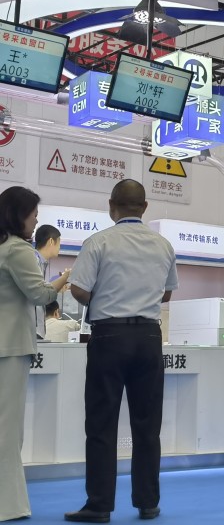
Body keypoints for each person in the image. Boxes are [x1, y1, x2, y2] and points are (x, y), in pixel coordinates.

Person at [65, 179, 178, 523]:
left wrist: (105, 294)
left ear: (111, 206)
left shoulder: (98, 242)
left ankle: (99, 505)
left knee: (102, 423)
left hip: (109, 337)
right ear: (144, 208)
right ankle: (148, 502)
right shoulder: (163, 245)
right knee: (147, 425)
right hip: (149, 337)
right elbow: (167, 293)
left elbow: (79, 290)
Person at [0, 186, 69, 521]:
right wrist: (63, 280)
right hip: (11, 347)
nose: (36, 221)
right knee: (8, 430)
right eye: (33, 215)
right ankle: (8, 504)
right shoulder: (17, 250)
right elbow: (40, 295)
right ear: (19, 215)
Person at [33, 224, 62, 339]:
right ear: (51, 241)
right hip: (32, 329)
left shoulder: (41, 262)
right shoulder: (34, 260)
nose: (59, 247)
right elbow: (39, 293)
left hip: (36, 329)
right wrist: (65, 277)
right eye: (59, 243)